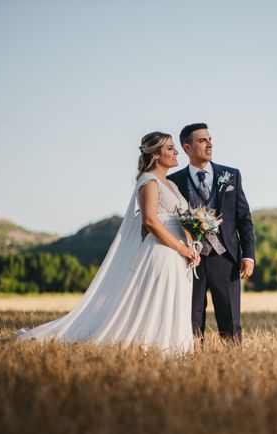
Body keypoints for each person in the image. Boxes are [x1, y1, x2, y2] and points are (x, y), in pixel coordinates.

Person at [18, 132, 199, 353]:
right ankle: (153, 344)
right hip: (162, 250)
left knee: (174, 297)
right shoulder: (149, 181)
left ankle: (175, 346)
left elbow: (182, 220)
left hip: (180, 252)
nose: (176, 151)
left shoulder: (171, 185)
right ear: (155, 154)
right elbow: (150, 220)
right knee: (158, 298)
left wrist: (191, 248)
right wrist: (180, 247)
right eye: (170, 148)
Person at [168, 123, 255, 344]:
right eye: (202, 140)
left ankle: (233, 363)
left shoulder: (231, 175)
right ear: (187, 148)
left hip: (225, 257)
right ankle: (193, 362)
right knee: (191, 318)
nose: (209, 143)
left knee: (230, 318)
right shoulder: (173, 181)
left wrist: (248, 255)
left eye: (210, 139)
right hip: (189, 260)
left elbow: (244, 219)